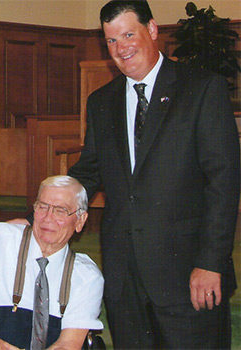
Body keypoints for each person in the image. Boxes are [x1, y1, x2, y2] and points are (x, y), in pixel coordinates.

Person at [66, 1, 240, 348]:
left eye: (129, 34)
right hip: (124, 278)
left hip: (189, 274)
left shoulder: (203, 88)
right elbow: (88, 172)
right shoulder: (101, 101)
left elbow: (224, 183)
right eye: (111, 41)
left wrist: (210, 262)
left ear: (153, 30)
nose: (121, 47)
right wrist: (43, 210)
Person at [0, 175, 104, 349]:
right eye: (42, 207)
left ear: (80, 220)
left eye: (60, 210)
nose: (48, 217)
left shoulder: (86, 276)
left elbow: (68, 344)